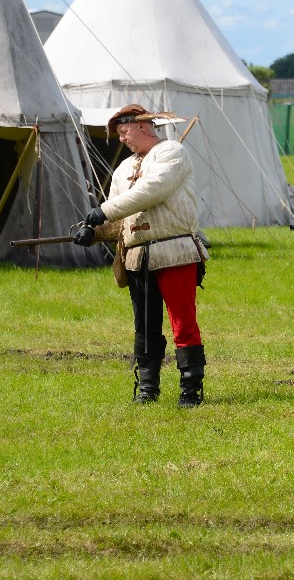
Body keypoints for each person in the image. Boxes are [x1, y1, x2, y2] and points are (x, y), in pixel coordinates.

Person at [74, 104, 209, 407]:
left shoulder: (173, 153)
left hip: (173, 252)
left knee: (182, 323)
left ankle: (191, 390)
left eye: (124, 132)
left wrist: (103, 211)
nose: (121, 139)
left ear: (143, 127)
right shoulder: (123, 169)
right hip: (137, 257)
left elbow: (151, 191)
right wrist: (92, 232)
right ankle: (148, 389)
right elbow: (118, 220)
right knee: (145, 327)